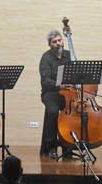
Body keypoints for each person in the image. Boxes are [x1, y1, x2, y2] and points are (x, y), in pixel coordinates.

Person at [39, 29, 71, 159]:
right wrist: (59, 85)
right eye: (54, 42)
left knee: (72, 114)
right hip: (50, 93)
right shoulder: (46, 57)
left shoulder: (69, 55)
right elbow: (45, 80)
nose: (58, 43)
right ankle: (51, 147)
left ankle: (68, 145)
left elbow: (76, 72)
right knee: (53, 112)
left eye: (60, 40)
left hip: (68, 93)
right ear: (50, 44)